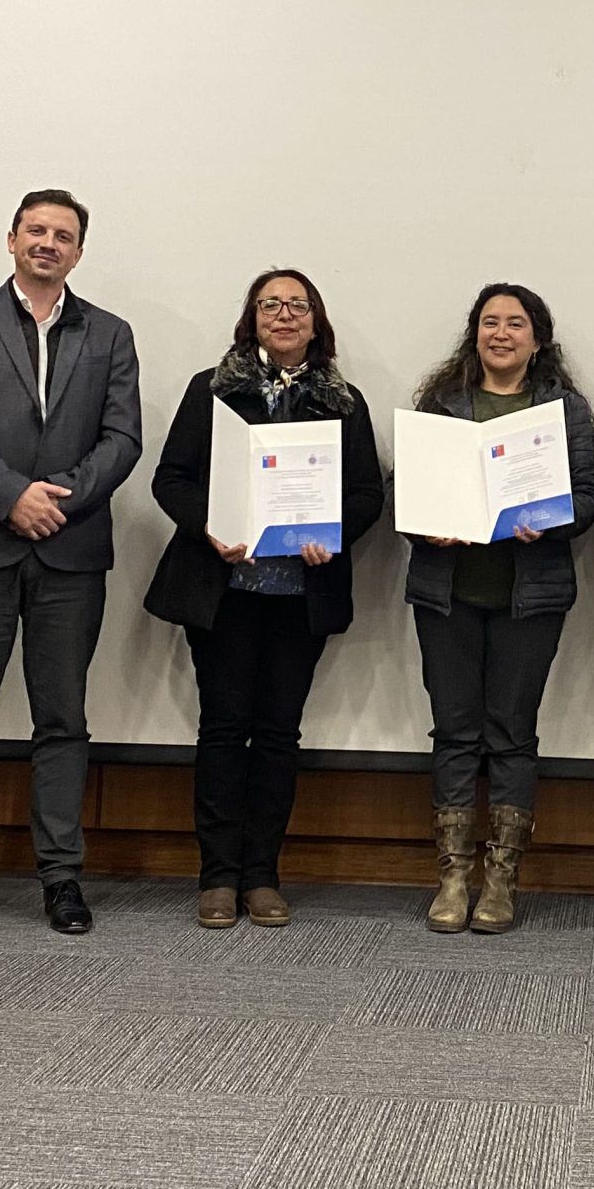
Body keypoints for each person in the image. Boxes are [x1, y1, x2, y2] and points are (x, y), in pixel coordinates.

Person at [0, 189, 141, 940]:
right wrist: (13, 497)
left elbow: (122, 438)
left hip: (70, 554)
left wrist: (57, 503)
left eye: (64, 235)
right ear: (11, 238)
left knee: (63, 720)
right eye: (36, 230)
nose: (48, 243)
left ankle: (62, 877)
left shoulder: (109, 334)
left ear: (79, 251)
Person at [146, 268, 384, 929]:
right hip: (223, 593)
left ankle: (262, 876)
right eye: (270, 304)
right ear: (251, 319)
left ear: (317, 321)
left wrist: (328, 535)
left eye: (297, 305)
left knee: (278, 734)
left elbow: (367, 494)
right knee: (224, 730)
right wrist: (211, 525)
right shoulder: (211, 391)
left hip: (298, 594)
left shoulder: (344, 401)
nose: (284, 314)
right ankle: (217, 877)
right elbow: (172, 480)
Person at [404, 284, 594, 935]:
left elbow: (586, 497)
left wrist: (548, 521)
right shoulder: (442, 402)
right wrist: (425, 525)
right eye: (490, 322)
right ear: (475, 334)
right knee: (455, 729)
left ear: (538, 339)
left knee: (511, 732)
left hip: (530, 594)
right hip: (448, 592)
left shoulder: (563, 410)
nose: (501, 333)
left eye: (516, 323)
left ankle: (501, 880)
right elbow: (403, 489)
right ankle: (453, 876)